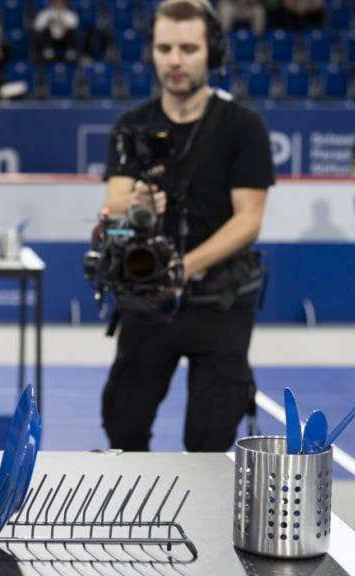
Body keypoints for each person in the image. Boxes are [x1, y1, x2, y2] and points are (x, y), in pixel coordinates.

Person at [100, 0, 274, 452]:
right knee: (123, 422)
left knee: (210, 436)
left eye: (188, 48)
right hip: (147, 297)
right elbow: (114, 203)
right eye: (165, 48)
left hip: (219, 299)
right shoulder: (131, 125)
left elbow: (249, 218)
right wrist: (135, 204)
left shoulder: (243, 127)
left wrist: (186, 265)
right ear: (153, 52)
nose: (175, 60)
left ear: (211, 52)